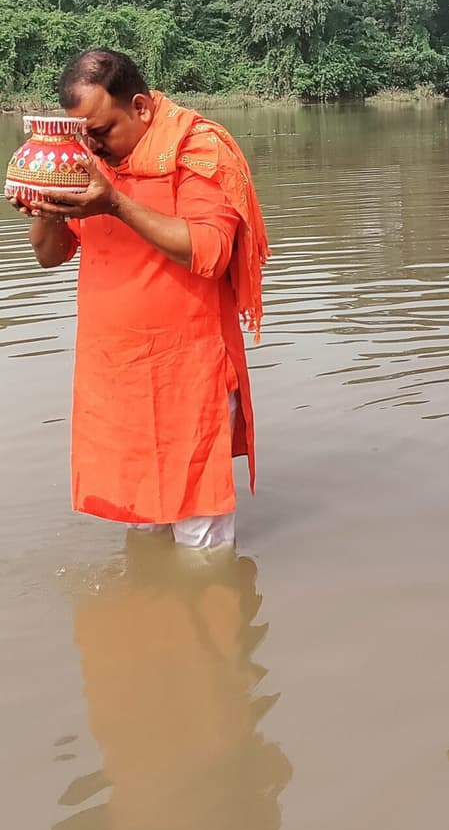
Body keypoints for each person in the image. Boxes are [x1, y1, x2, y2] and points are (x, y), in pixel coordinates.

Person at [18, 49, 269, 549]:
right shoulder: (88, 159)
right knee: (142, 530)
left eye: (102, 130)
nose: (91, 144)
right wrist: (46, 209)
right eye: (82, 133)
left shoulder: (198, 148)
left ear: (140, 107)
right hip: (116, 372)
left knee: (200, 542)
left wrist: (114, 204)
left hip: (189, 373)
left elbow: (210, 251)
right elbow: (49, 256)